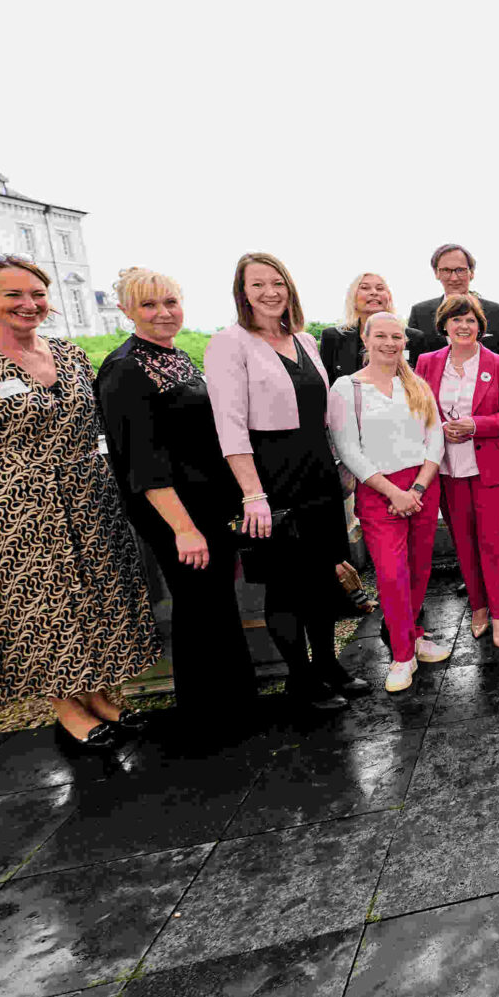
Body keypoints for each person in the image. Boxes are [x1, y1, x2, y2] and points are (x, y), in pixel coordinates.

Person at [0, 252, 162, 754]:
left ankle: (99, 696)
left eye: (37, 294)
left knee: (97, 602)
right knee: (45, 608)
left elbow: (102, 429)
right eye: (13, 294)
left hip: (89, 493)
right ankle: (67, 706)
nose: (29, 304)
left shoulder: (72, 354)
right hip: (17, 506)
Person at [95, 268, 255, 746]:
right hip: (176, 513)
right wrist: (184, 529)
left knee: (215, 604)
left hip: (207, 505)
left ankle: (234, 705)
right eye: (148, 305)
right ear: (126, 310)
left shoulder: (176, 356)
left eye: (170, 302)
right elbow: (141, 461)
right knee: (198, 607)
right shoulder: (124, 368)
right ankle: (207, 719)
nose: (163, 313)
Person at [206, 251, 362, 712]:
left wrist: (341, 464)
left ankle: (329, 665)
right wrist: (253, 494)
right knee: (287, 586)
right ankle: (301, 680)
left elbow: (326, 413)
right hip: (271, 474)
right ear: (243, 293)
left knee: (321, 579)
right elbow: (229, 426)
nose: (270, 292)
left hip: (316, 467)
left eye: (277, 282)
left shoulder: (305, 340)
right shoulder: (228, 343)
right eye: (258, 285)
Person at [328, 312, 448, 691]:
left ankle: (414, 635)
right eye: (380, 335)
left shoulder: (416, 385)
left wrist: (418, 488)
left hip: (421, 486)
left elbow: (436, 439)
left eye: (396, 336)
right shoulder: (347, 388)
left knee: (417, 569)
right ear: (366, 339)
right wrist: (394, 493)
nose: (389, 343)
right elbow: (348, 449)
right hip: (380, 491)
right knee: (392, 575)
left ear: (405, 342)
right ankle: (400, 655)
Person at [415, 294, 499, 652]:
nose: (464, 326)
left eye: (471, 320)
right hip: (445, 469)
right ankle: (477, 608)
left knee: (495, 544)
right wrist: (437, 427)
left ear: (480, 326)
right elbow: (417, 410)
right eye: (457, 320)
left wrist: (475, 424)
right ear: (444, 324)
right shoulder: (427, 364)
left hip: (489, 469)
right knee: (464, 543)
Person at [406, 244, 499, 363]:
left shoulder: (498, 313)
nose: (454, 278)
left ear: (471, 273)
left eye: (460, 270)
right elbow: (409, 361)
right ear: (436, 273)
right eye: (446, 270)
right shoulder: (420, 313)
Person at [321, 273, 425, 384]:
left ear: (389, 297)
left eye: (380, 289)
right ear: (353, 297)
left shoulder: (414, 338)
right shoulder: (333, 337)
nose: (374, 293)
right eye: (365, 288)